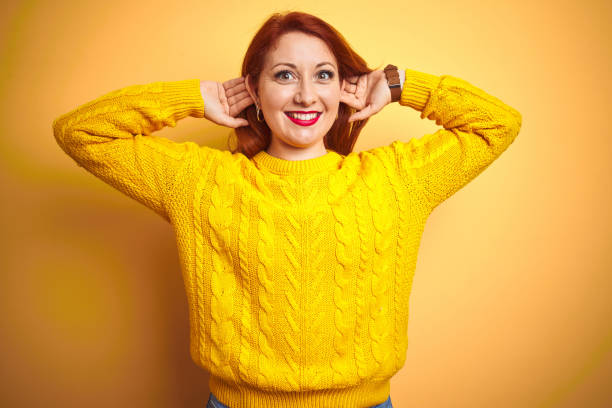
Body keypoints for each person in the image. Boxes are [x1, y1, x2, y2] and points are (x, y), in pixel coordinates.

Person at [52, 10, 522, 408]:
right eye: (284, 75)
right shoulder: (201, 183)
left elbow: (498, 124)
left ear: (344, 88)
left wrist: (399, 83)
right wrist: (195, 98)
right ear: (254, 90)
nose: (305, 95)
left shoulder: (396, 180)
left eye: (323, 74)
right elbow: (80, 132)